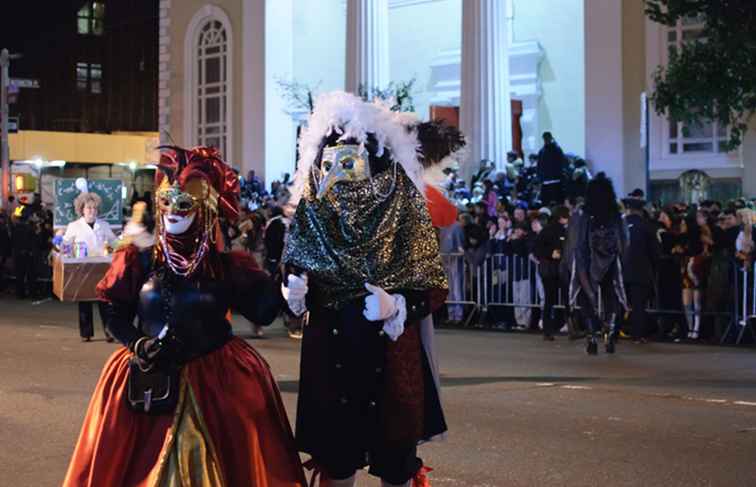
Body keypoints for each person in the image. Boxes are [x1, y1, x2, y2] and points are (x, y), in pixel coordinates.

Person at [63, 146, 306, 487]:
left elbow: (263, 313)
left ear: (205, 209)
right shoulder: (139, 261)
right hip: (149, 375)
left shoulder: (225, 268)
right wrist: (137, 343)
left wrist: (285, 287)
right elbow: (114, 312)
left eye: (184, 204)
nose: (173, 212)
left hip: (219, 379)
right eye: (167, 203)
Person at [282, 93, 450, 487]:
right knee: (337, 460)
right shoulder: (315, 200)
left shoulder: (402, 198)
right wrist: (293, 289)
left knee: (395, 461)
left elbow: (432, 282)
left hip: (390, 354)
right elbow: (296, 261)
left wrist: (399, 305)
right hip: (332, 349)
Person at [566, 172, 628, 355]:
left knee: (586, 297)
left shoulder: (584, 214)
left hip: (587, 259)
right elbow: (624, 239)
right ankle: (609, 332)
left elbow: (578, 242)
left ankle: (592, 335)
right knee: (612, 296)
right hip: (609, 258)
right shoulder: (615, 214)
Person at [63, 190, 118, 342]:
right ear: (82, 209)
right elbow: (66, 244)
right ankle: (86, 333)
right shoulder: (74, 226)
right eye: (88, 208)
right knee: (85, 301)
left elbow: (114, 242)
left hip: (102, 268)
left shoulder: (104, 225)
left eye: (94, 208)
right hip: (83, 267)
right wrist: (65, 254)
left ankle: (109, 332)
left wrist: (123, 243)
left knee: (105, 301)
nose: (92, 211)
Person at [622, 198, 661, 344]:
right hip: (641, 271)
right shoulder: (647, 226)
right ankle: (637, 335)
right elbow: (655, 251)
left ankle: (612, 332)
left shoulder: (620, 224)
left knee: (618, 303)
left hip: (621, 270)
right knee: (638, 305)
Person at [534, 206, 570, 341]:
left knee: (552, 299)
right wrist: (551, 253)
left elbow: (537, 249)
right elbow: (537, 249)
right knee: (562, 299)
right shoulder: (554, 230)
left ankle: (548, 330)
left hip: (552, 270)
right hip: (554, 269)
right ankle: (568, 327)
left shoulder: (548, 230)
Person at [537, 132, 568, 206]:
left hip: (553, 181)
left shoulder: (553, 150)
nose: (546, 140)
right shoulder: (545, 150)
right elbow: (539, 166)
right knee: (549, 204)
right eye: (545, 138)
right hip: (550, 181)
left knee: (553, 204)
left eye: (547, 138)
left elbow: (562, 163)